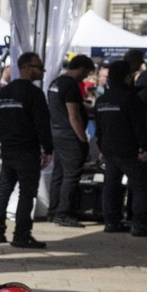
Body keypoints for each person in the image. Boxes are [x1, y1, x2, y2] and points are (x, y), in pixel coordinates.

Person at [0, 51, 52, 248]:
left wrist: (7, 138)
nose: (42, 71)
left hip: (9, 149)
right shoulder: (34, 93)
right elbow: (43, 123)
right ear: (26, 68)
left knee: (5, 189)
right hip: (26, 150)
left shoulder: (5, 92)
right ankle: (21, 234)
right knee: (26, 192)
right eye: (39, 67)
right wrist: (48, 149)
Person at [94, 57, 147, 236]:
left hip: (109, 150)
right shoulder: (131, 98)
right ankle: (138, 223)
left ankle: (111, 222)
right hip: (130, 150)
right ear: (128, 77)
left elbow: (99, 129)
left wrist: (101, 148)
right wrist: (144, 148)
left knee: (111, 186)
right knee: (139, 186)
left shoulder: (102, 100)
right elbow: (139, 126)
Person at [46, 54, 95, 226]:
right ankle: (63, 213)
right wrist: (83, 139)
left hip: (57, 134)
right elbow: (74, 116)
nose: (86, 76)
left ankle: (53, 211)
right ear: (81, 68)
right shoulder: (70, 86)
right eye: (87, 72)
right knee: (71, 175)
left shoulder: (56, 83)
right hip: (69, 136)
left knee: (58, 174)